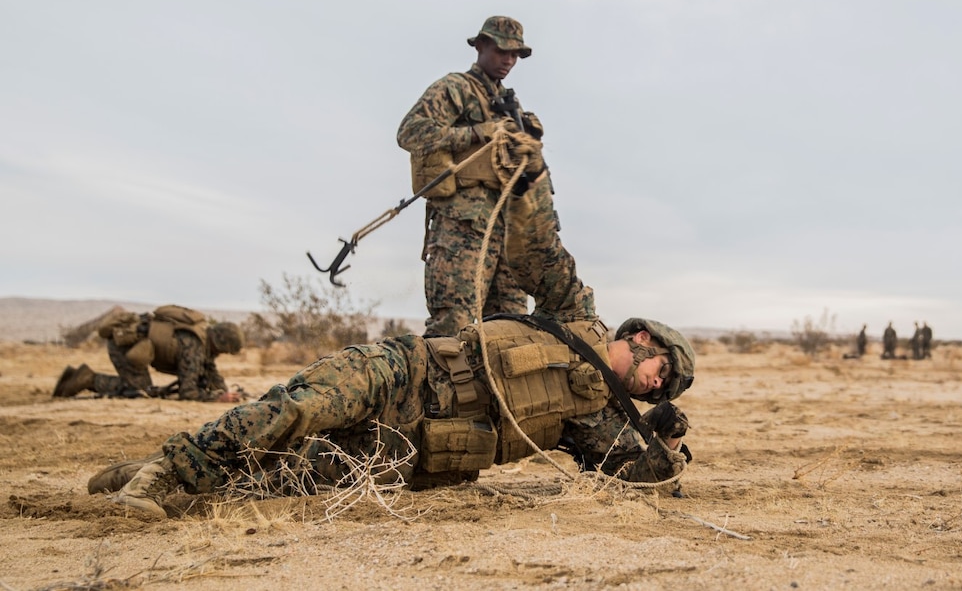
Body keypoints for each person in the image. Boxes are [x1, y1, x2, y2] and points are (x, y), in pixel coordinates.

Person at [95, 163, 696, 518]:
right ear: (640, 338)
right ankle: (160, 472)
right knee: (295, 412)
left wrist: (665, 440)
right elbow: (539, 249)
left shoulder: (597, 416)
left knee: (283, 476)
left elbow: (635, 476)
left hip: (418, 450)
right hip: (405, 372)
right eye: (664, 371)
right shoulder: (577, 317)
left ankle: (162, 477)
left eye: (664, 388)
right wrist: (532, 178)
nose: (657, 385)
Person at [397, 15, 552, 336]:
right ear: (481, 46)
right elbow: (410, 133)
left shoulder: (509, 103)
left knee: (511, 331)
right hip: (462, 226)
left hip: (507, 229)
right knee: (453, 329)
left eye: (515, 55)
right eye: (501, 51)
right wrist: (478, 133)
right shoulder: (456, 88)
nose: (509, 60)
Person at [53, 305, 244, 403]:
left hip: (133, 343)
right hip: (124, 345)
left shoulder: (202, 336)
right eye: (224, 351)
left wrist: (226, 392)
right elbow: (188, 392)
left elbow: (210, 370)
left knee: (143, 389)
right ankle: (87, 379)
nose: (221, 354)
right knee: (139, 391)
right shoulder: (193, 347)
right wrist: (217, 399)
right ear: (220, 344)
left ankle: (76, 377)